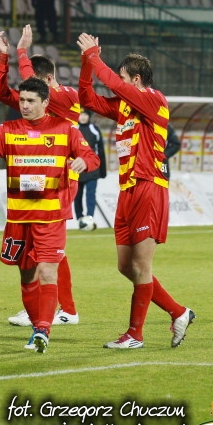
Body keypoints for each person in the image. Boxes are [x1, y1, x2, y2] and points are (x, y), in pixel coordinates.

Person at [77, 32, 195, 349]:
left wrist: (95, 56)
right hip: (128, 190)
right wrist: (86, 62)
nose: (118, 83)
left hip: (149, 186)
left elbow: (114, 86)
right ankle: (178, 312)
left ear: (137, 80)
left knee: (141, 266)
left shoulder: (154, 100)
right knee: (125, 266)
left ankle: (135, 334)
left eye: (124, 78)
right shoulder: (125, 108)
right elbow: (87, 98)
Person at [0, 77, 100, 353]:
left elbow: (93, 158)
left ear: (45, 102)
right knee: (27, 276)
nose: (25, 105)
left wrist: (83, 160)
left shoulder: (66, 129)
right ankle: (35, 328)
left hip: (50, 217)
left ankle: (43, 330)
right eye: (22, 100)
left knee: (47, 271)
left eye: (31, 101)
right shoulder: (7, 130)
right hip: (18, 218)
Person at [0, 25, 82, 327]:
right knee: (44, 246)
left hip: (60, 178)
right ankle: (52, 305)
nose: (26, 100)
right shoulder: (37, 103)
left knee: (48, 247)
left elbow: (28, 75)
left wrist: (21, 51)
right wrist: (3, 58)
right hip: (37, 176)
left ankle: (62, 308)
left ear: (46, 82)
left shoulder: (65, 96)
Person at [74, 109, 107, 226]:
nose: (82, 117)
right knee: (77, 195)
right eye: (80, 114)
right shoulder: (74, 129)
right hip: (77, 169)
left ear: (89, 116)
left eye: (85, 114)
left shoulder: (95, 129)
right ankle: (79, 218)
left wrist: (103, 170)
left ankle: (90, 218)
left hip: (93, 169)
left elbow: (101, 150)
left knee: (91, 194)